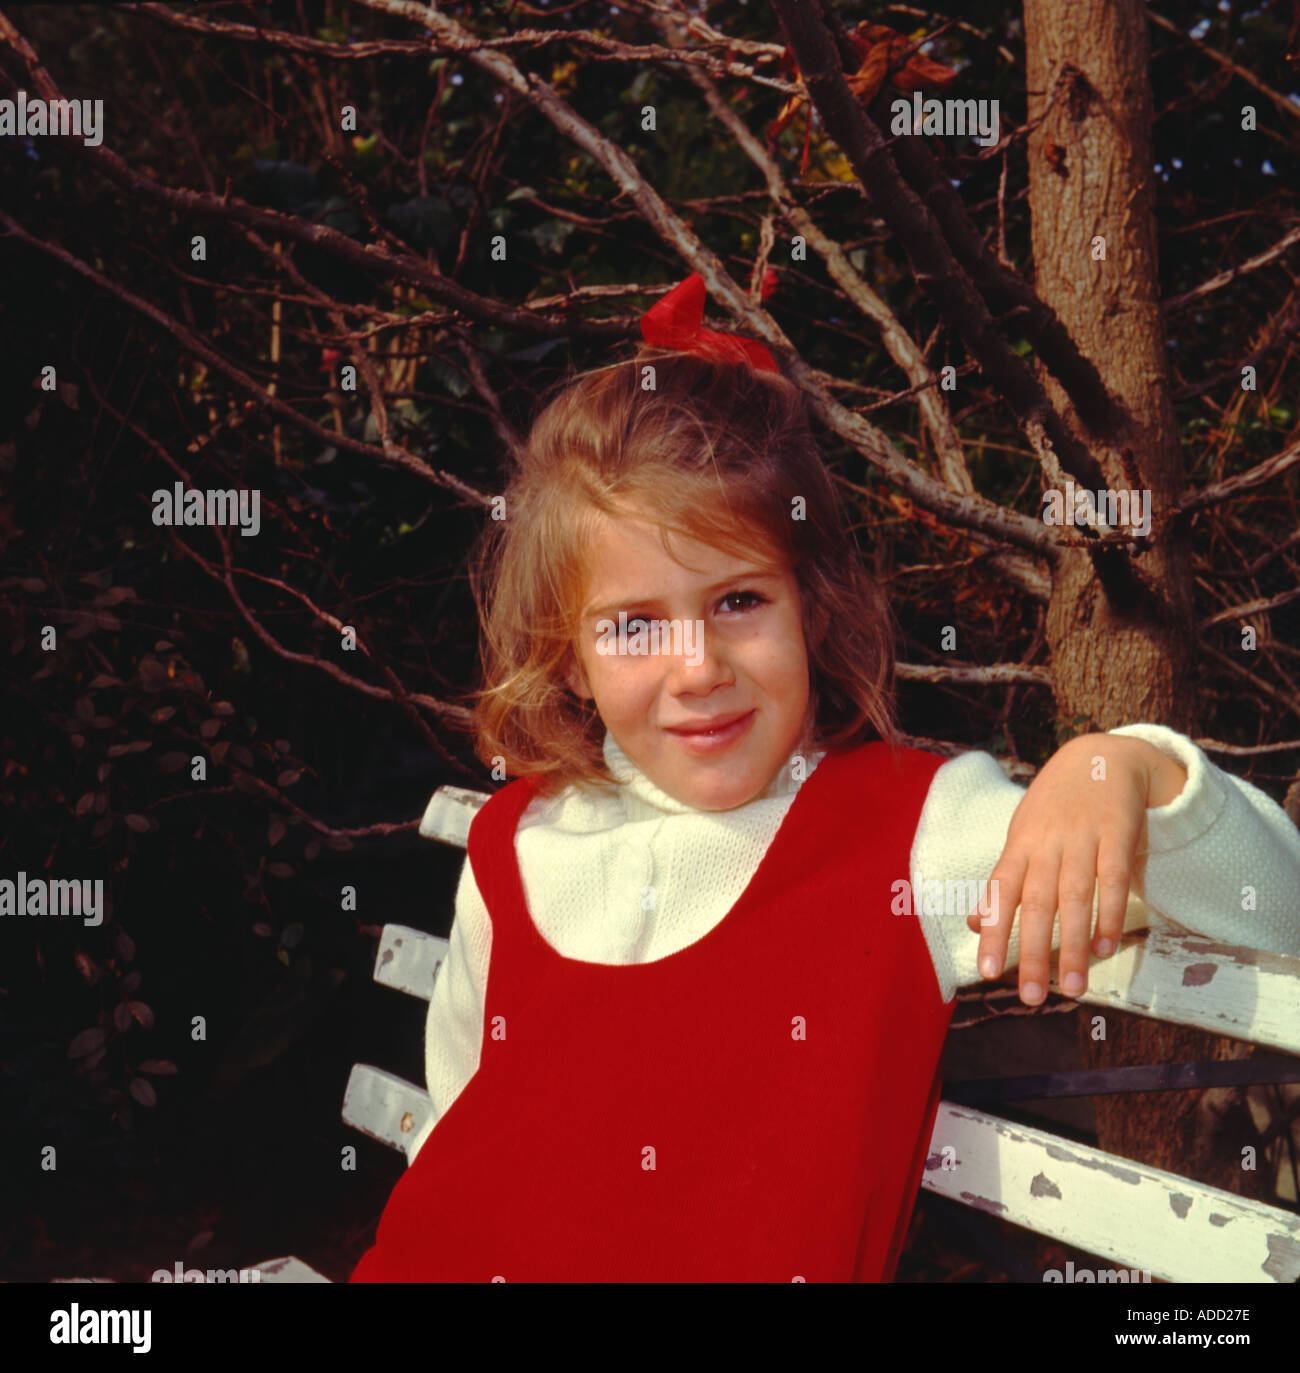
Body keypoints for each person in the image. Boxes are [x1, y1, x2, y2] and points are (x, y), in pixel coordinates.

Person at [350, 276, 1300, 1283]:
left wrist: (1125, 763)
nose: (698, 668)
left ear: (811, 605)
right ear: (569, 653)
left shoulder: (909, 830)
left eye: (738, 599)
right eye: (634, 623)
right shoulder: (516, 839)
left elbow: (1275, 908)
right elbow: (460, 1123)